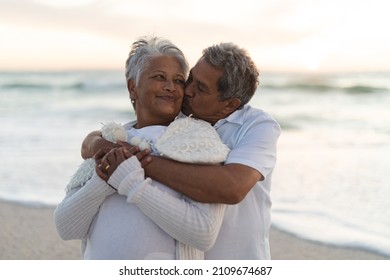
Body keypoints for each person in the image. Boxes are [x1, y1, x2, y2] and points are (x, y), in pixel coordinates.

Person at [82, 42, 281, 259]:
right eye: (190, 79)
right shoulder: (180, 123)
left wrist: (132, 161)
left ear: (229, 105)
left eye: (201, 88)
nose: (187, 90)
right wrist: (97, 144)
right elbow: (101, 140)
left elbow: (231, 187)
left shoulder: (257, 125)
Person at [54, 36, 229, 260]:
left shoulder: (199, 140)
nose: (170, 87)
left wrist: (132, 184)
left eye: (178, 80)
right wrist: (103, 182)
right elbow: (66, 227)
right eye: (159, 77)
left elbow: (203, 234)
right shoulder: (111, 138)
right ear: (132, 87)